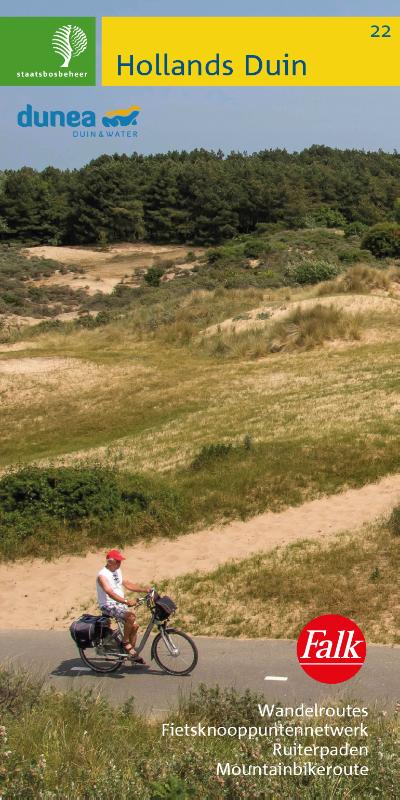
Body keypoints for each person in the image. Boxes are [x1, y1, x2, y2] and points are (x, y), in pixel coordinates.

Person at [96, 549, 151, 664]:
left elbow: (127, 584)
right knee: (131, 617)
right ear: (110, 562)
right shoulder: (102, 575)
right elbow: (109, 592)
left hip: (119, 604)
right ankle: (125, 642)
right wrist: (126, 601)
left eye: (120, 561)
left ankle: (132, 656)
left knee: (134, 627)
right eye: (117, 561)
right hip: (108, 605)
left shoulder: (117, 570)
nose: (120, 563)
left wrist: (144, 590)